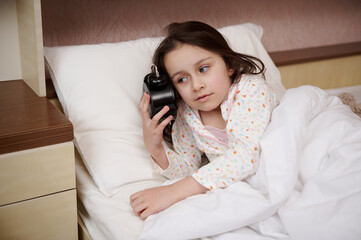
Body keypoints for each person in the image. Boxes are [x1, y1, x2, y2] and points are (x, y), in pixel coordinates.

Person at [130, 21, 277, 220]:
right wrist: (154, 147)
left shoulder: (251, 90)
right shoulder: (187, 114)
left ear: (229, 65)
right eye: (182, 79)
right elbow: (188, 169)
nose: (196, 85)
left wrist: (173, 192)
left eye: (203, 69)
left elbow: (246, 156)